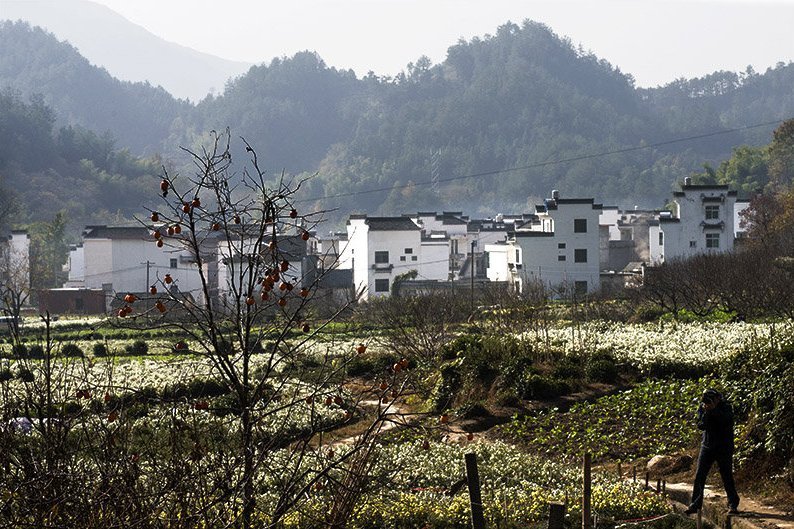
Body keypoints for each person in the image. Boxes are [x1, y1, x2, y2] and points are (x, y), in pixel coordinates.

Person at [685, 388, 740, 515]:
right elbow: (701, 425)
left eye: (711, 399)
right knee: (700, 475)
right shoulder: (703, 407)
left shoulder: (726, 407)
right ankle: (695, 504)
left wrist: (714, 409)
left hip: (723, 446)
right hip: (707, 445)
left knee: (726, 476)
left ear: (717, 398)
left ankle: (733, 503)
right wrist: (706, 412)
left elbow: (726, 421)